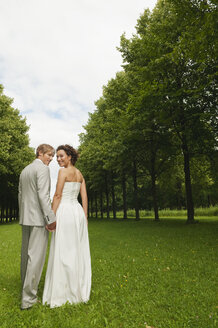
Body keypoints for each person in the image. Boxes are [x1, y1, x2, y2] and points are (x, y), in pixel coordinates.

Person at [42, 144, 91, 308]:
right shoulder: (79, 173)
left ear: (70, 156)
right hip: (77, 213)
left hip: (65, 212)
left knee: (63, 250)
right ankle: (76, 288)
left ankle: (63, 291)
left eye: (61, 156)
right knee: (75, 250)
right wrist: (84, 217)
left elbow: (57, 195)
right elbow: (84, 197)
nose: (58, 159)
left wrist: (51, 218)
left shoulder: (63, 172)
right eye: (56, 156)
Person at [18, 144, 56, 310]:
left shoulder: (25, 170)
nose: (51, 159)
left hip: (26, 218)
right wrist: (50, 218)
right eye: (49, 155)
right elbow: (43, 194)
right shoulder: (42, 169)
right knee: (36, 259)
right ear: (40, 153)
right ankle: (29, 299)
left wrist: (23, 215)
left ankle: (25, 291)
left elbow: (21, 195)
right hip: (39, 219)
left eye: (53, 156)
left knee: (26, 257)